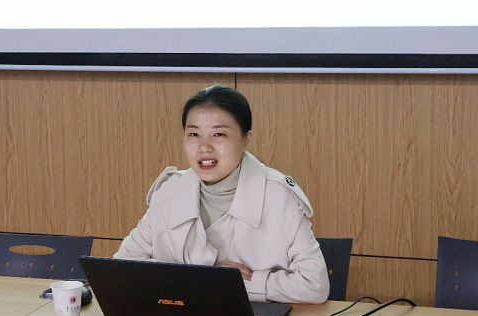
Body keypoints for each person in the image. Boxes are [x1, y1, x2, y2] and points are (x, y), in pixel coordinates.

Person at [114, 84, 330, 304]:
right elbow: (121, 268)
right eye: (194, 134)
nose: (204, 147)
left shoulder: (277, 195)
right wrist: (204, 280)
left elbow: (315, 285)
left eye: (219, 134)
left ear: (246, 139)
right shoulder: (170, 191)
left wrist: (252, 283)